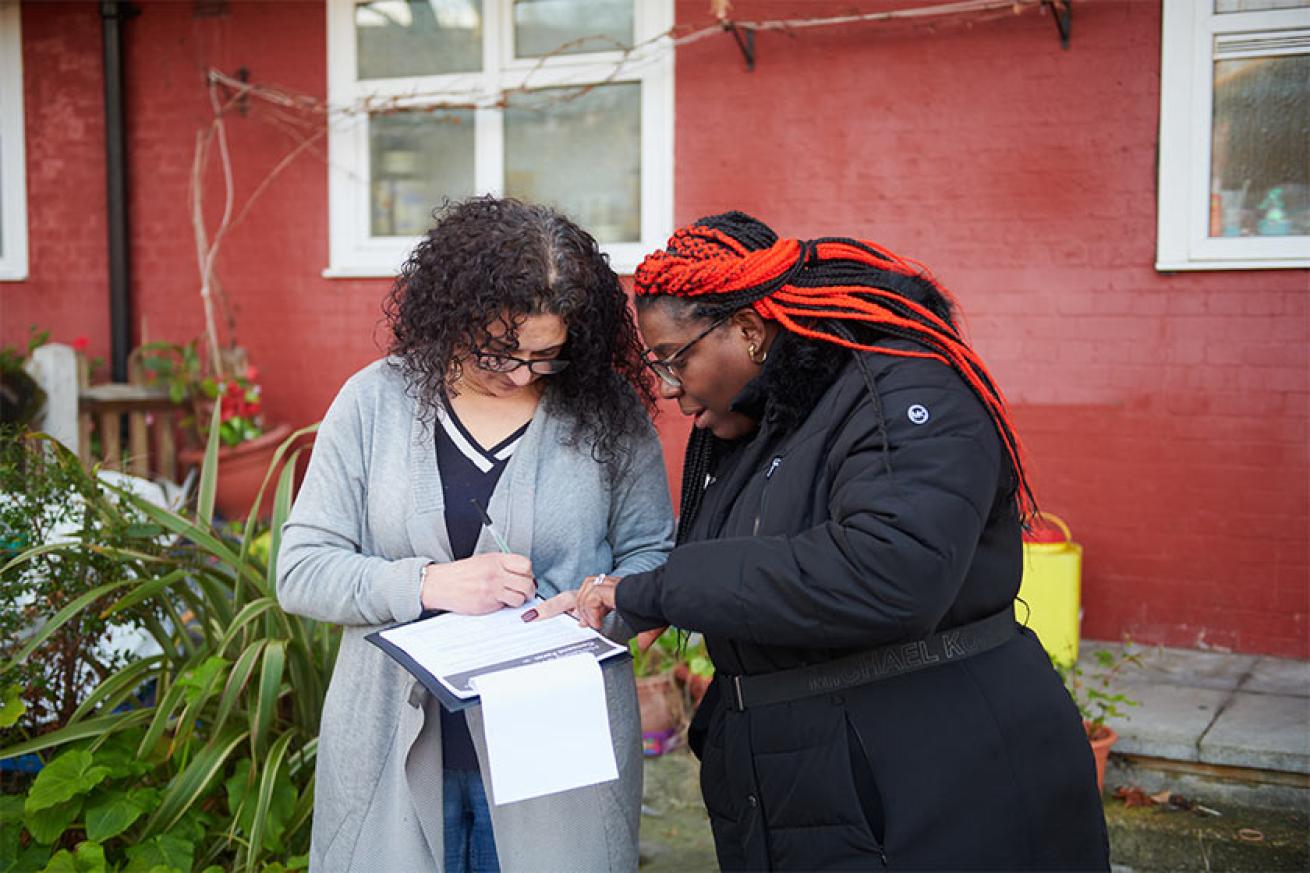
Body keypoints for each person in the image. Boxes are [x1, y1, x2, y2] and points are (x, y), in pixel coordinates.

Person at [549, 212, 1110, 870]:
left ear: (752, 330)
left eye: (676, 360)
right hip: (811, 801)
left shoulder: (902, 389)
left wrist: (663, 590)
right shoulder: (759, 418)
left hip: (935, 792)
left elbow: (889, 571)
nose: (671, 392)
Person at [277, 197, 674, 873]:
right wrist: (426, 582)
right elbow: (301, 569)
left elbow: (651, 555)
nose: (521, 374)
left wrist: (609, 603)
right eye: (498, 352)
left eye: (544, 355)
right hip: (389, 750)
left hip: (557, 756)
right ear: (452, 314)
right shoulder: (374, 403)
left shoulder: (606, 410)